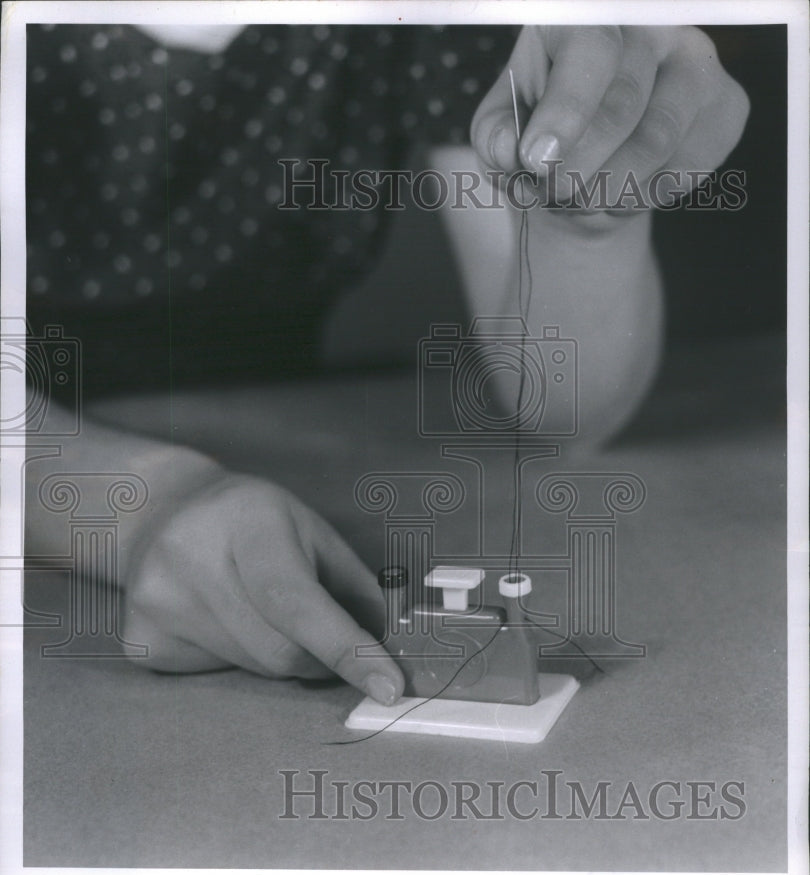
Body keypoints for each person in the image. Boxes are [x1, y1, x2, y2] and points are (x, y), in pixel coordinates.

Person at [24, 23, 749, 706]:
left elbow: (565, 407)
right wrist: (142, 504)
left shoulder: (434, 22)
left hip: (287, 497)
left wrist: (587, 216)